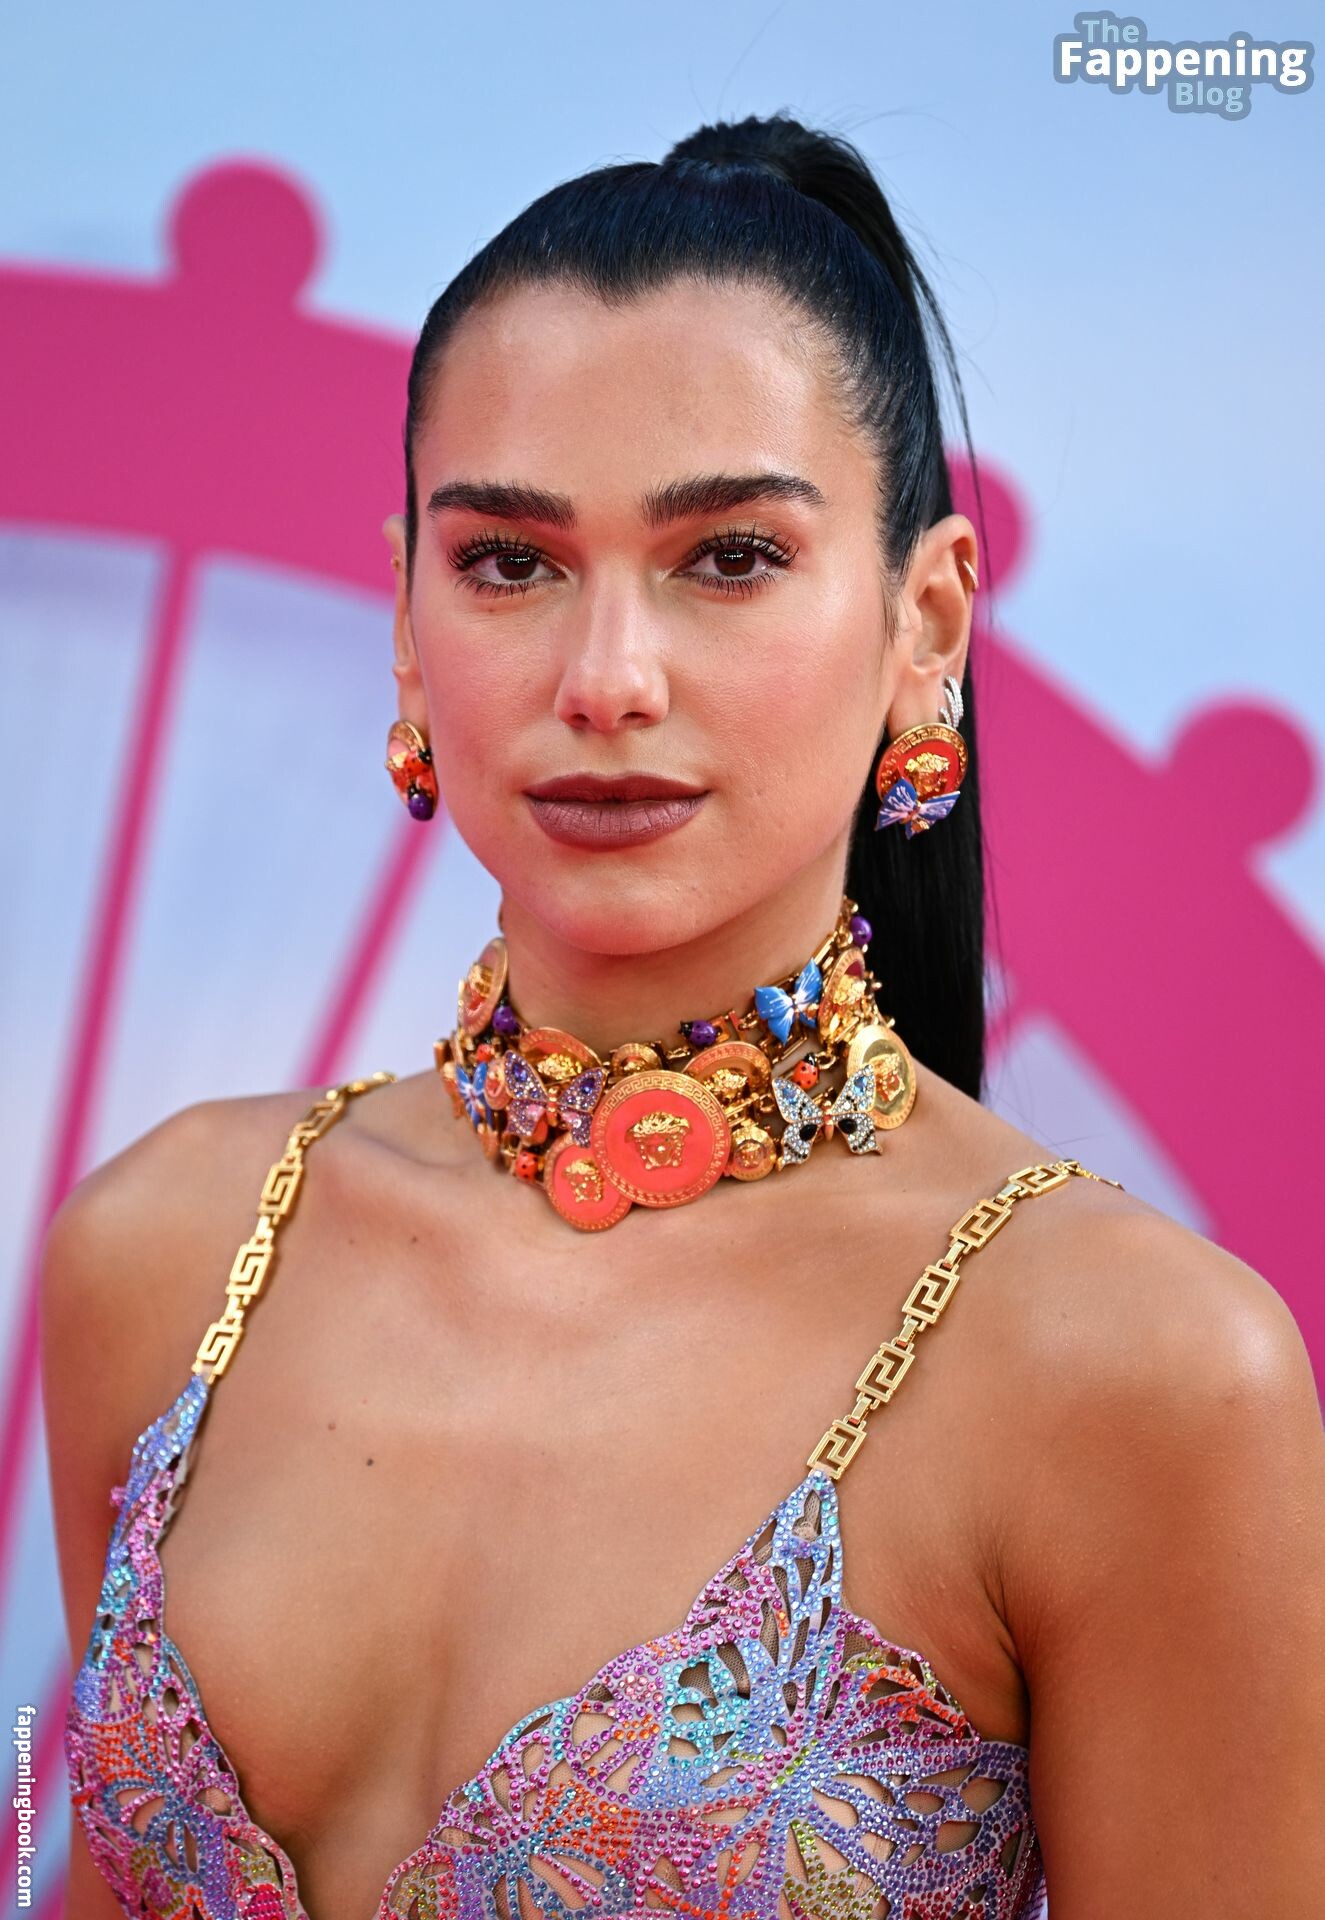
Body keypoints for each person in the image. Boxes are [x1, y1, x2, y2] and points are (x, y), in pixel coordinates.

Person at [43, 112, 1324, 1920]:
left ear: (927, 625)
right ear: (406, 622)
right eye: (508, 563)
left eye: (727, 557)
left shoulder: (1131, 1369)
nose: (606, 679)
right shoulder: (170, 1249)